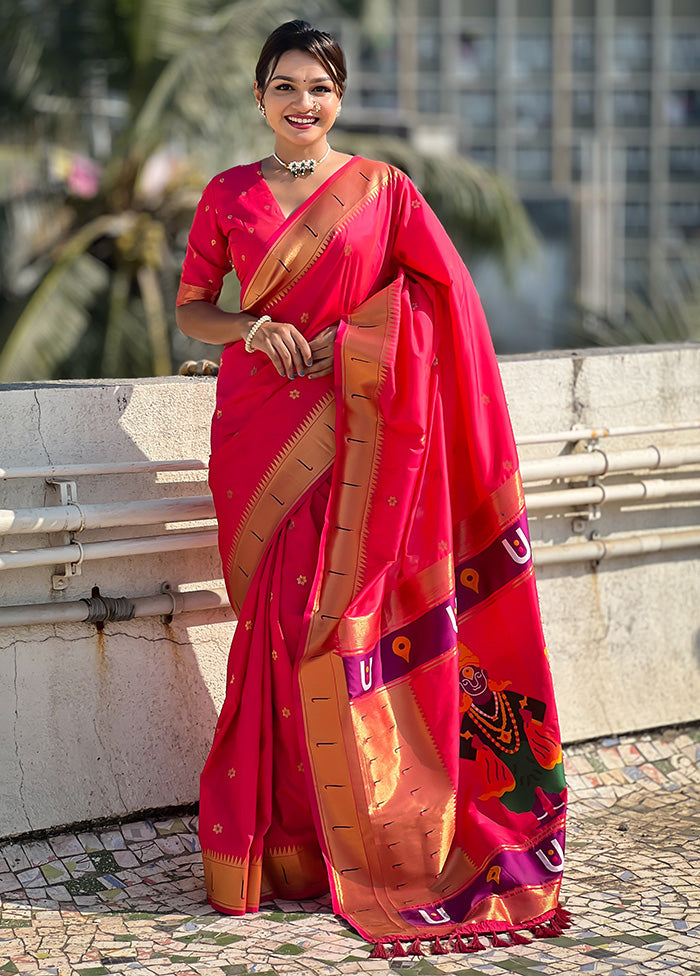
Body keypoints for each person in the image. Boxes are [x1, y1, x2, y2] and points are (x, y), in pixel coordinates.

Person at [176, 19, 569, 957]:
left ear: (339, 99)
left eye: (319, 87)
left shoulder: (384, 192)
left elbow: (441, 301)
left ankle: (365, 836)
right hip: (261, 437)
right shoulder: (228, 194)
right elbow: (193, 309)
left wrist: (358, 341)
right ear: (259, 97)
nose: (302, 104)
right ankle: (278, 847)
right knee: (272, 626)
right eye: (284, 87)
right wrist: (249, 328)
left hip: (361, 443)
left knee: (336, 618)